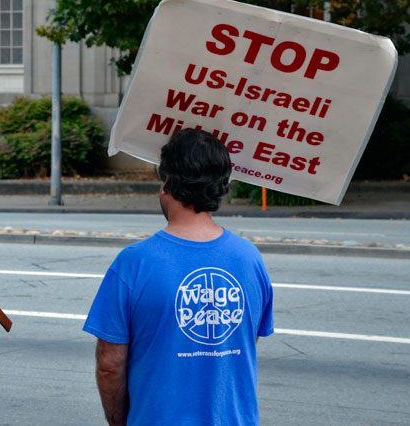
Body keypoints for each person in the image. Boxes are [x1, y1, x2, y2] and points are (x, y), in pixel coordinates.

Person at [83, 129, 274, 426]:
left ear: (167, 183)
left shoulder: (134, 263)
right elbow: (243, 342)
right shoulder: (250, 259)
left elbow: (110, 366)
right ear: (221, 187)